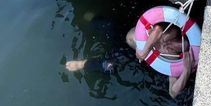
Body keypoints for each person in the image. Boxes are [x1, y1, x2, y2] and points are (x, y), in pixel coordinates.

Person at [66, 25, 195, 98]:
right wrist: (146, 49)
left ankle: (83, 64)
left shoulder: (172, 58)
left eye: (172, 48)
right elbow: (157, 30)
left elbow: (173, 92)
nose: (168, 46)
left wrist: (186, 71)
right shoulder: (170, 31)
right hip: (132, 37)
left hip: (130, 54)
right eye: (169, 43)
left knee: (109, 65)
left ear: (179, 54)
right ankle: (91, 20)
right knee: (107, 27)